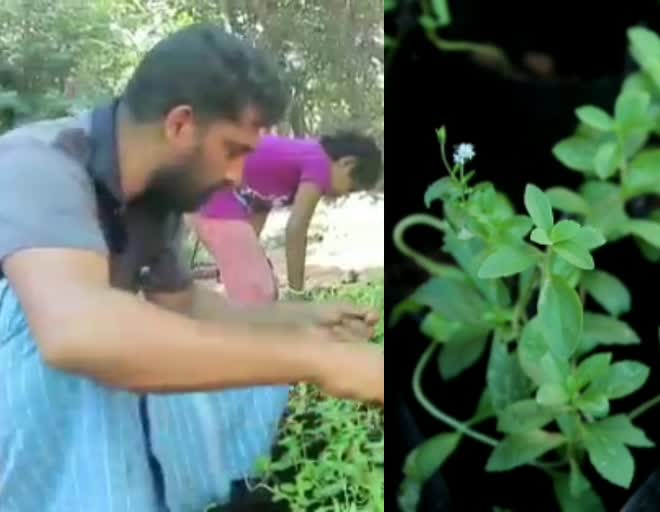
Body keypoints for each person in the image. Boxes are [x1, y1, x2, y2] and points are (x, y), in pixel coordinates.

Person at [0, 24, 383, 512]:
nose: (238, 176)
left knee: (157, 331)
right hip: (31, 388)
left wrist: (302, 322)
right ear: (180, 125)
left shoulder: (154, 197)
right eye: (233, 150)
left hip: (80, 344)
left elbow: (184, 304)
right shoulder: (41, 163)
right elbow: (76, 331)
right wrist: (317, 361)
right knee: (105, 336)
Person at [190, 131, 383, 304]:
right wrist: (296, 294)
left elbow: (260, 205)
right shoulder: (319, 164)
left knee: (260, 286)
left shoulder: (294, 168)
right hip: (209, 190)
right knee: (259, 292)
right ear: (347, 163)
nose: (343, 195)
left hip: (207, 191)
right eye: (350, 188)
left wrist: (250, 254)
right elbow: (296, 229)